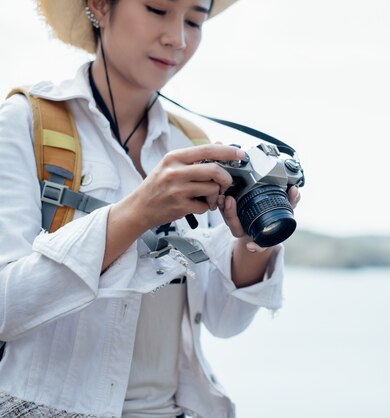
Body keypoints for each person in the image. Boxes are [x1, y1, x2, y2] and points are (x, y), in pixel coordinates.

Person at [0, 0, 301, 416]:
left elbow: (224, 320)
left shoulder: (191, 145)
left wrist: (255, 240)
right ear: (100, 7)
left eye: (195, 20)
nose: (177, 39)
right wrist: (138, 213)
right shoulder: (23, 124)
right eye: (158, 9)